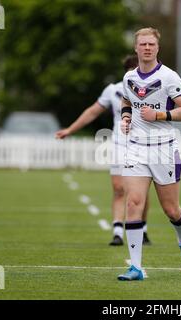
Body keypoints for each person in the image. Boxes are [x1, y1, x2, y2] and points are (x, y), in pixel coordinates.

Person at [117, 27, 181, 281]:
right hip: (137, 148)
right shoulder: (129, 77)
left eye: (151, 44)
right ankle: (136, 268)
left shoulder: (170, 77)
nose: (147, 48)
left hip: (164, 149)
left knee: (171, 210)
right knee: (133, 203)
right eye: (143, 44)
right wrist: (126, 117)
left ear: (158, 47)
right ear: (136, 48)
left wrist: (161, 115)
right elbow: (127, 100)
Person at [55, 55, 152, 246]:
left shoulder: (152, 89)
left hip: (143, 145)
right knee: (118, 188)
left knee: (140, 192)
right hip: (120, 144)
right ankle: (117, 232)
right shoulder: (114, 90)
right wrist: (70, 129)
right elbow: (92, 111)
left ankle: (142, 228)